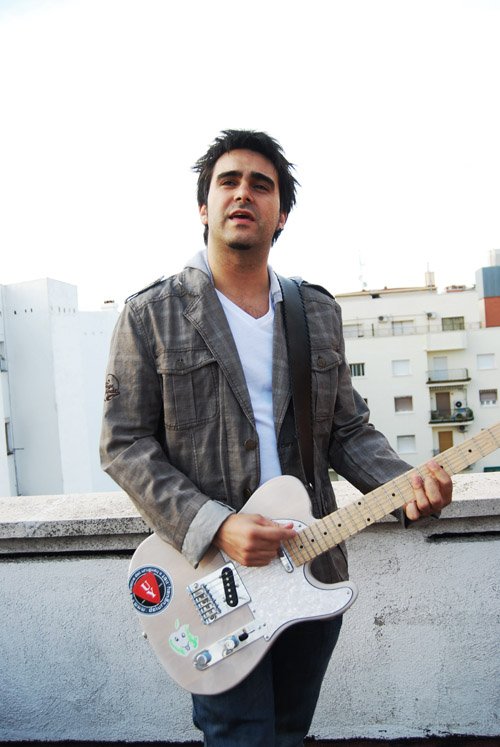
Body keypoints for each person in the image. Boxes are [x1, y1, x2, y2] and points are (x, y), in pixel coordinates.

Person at [100, 129, 452, 747]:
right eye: (228, 182)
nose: (244, 193)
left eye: (261, 185)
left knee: (289, 731)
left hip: (311, 565)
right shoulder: (150, 313)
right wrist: (217, 526)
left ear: (281, 213)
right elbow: (124, 444)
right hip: (212, 574)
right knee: (239, 735)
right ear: (204, 206)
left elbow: (347, 431)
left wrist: (407, 488)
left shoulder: (314, 311)